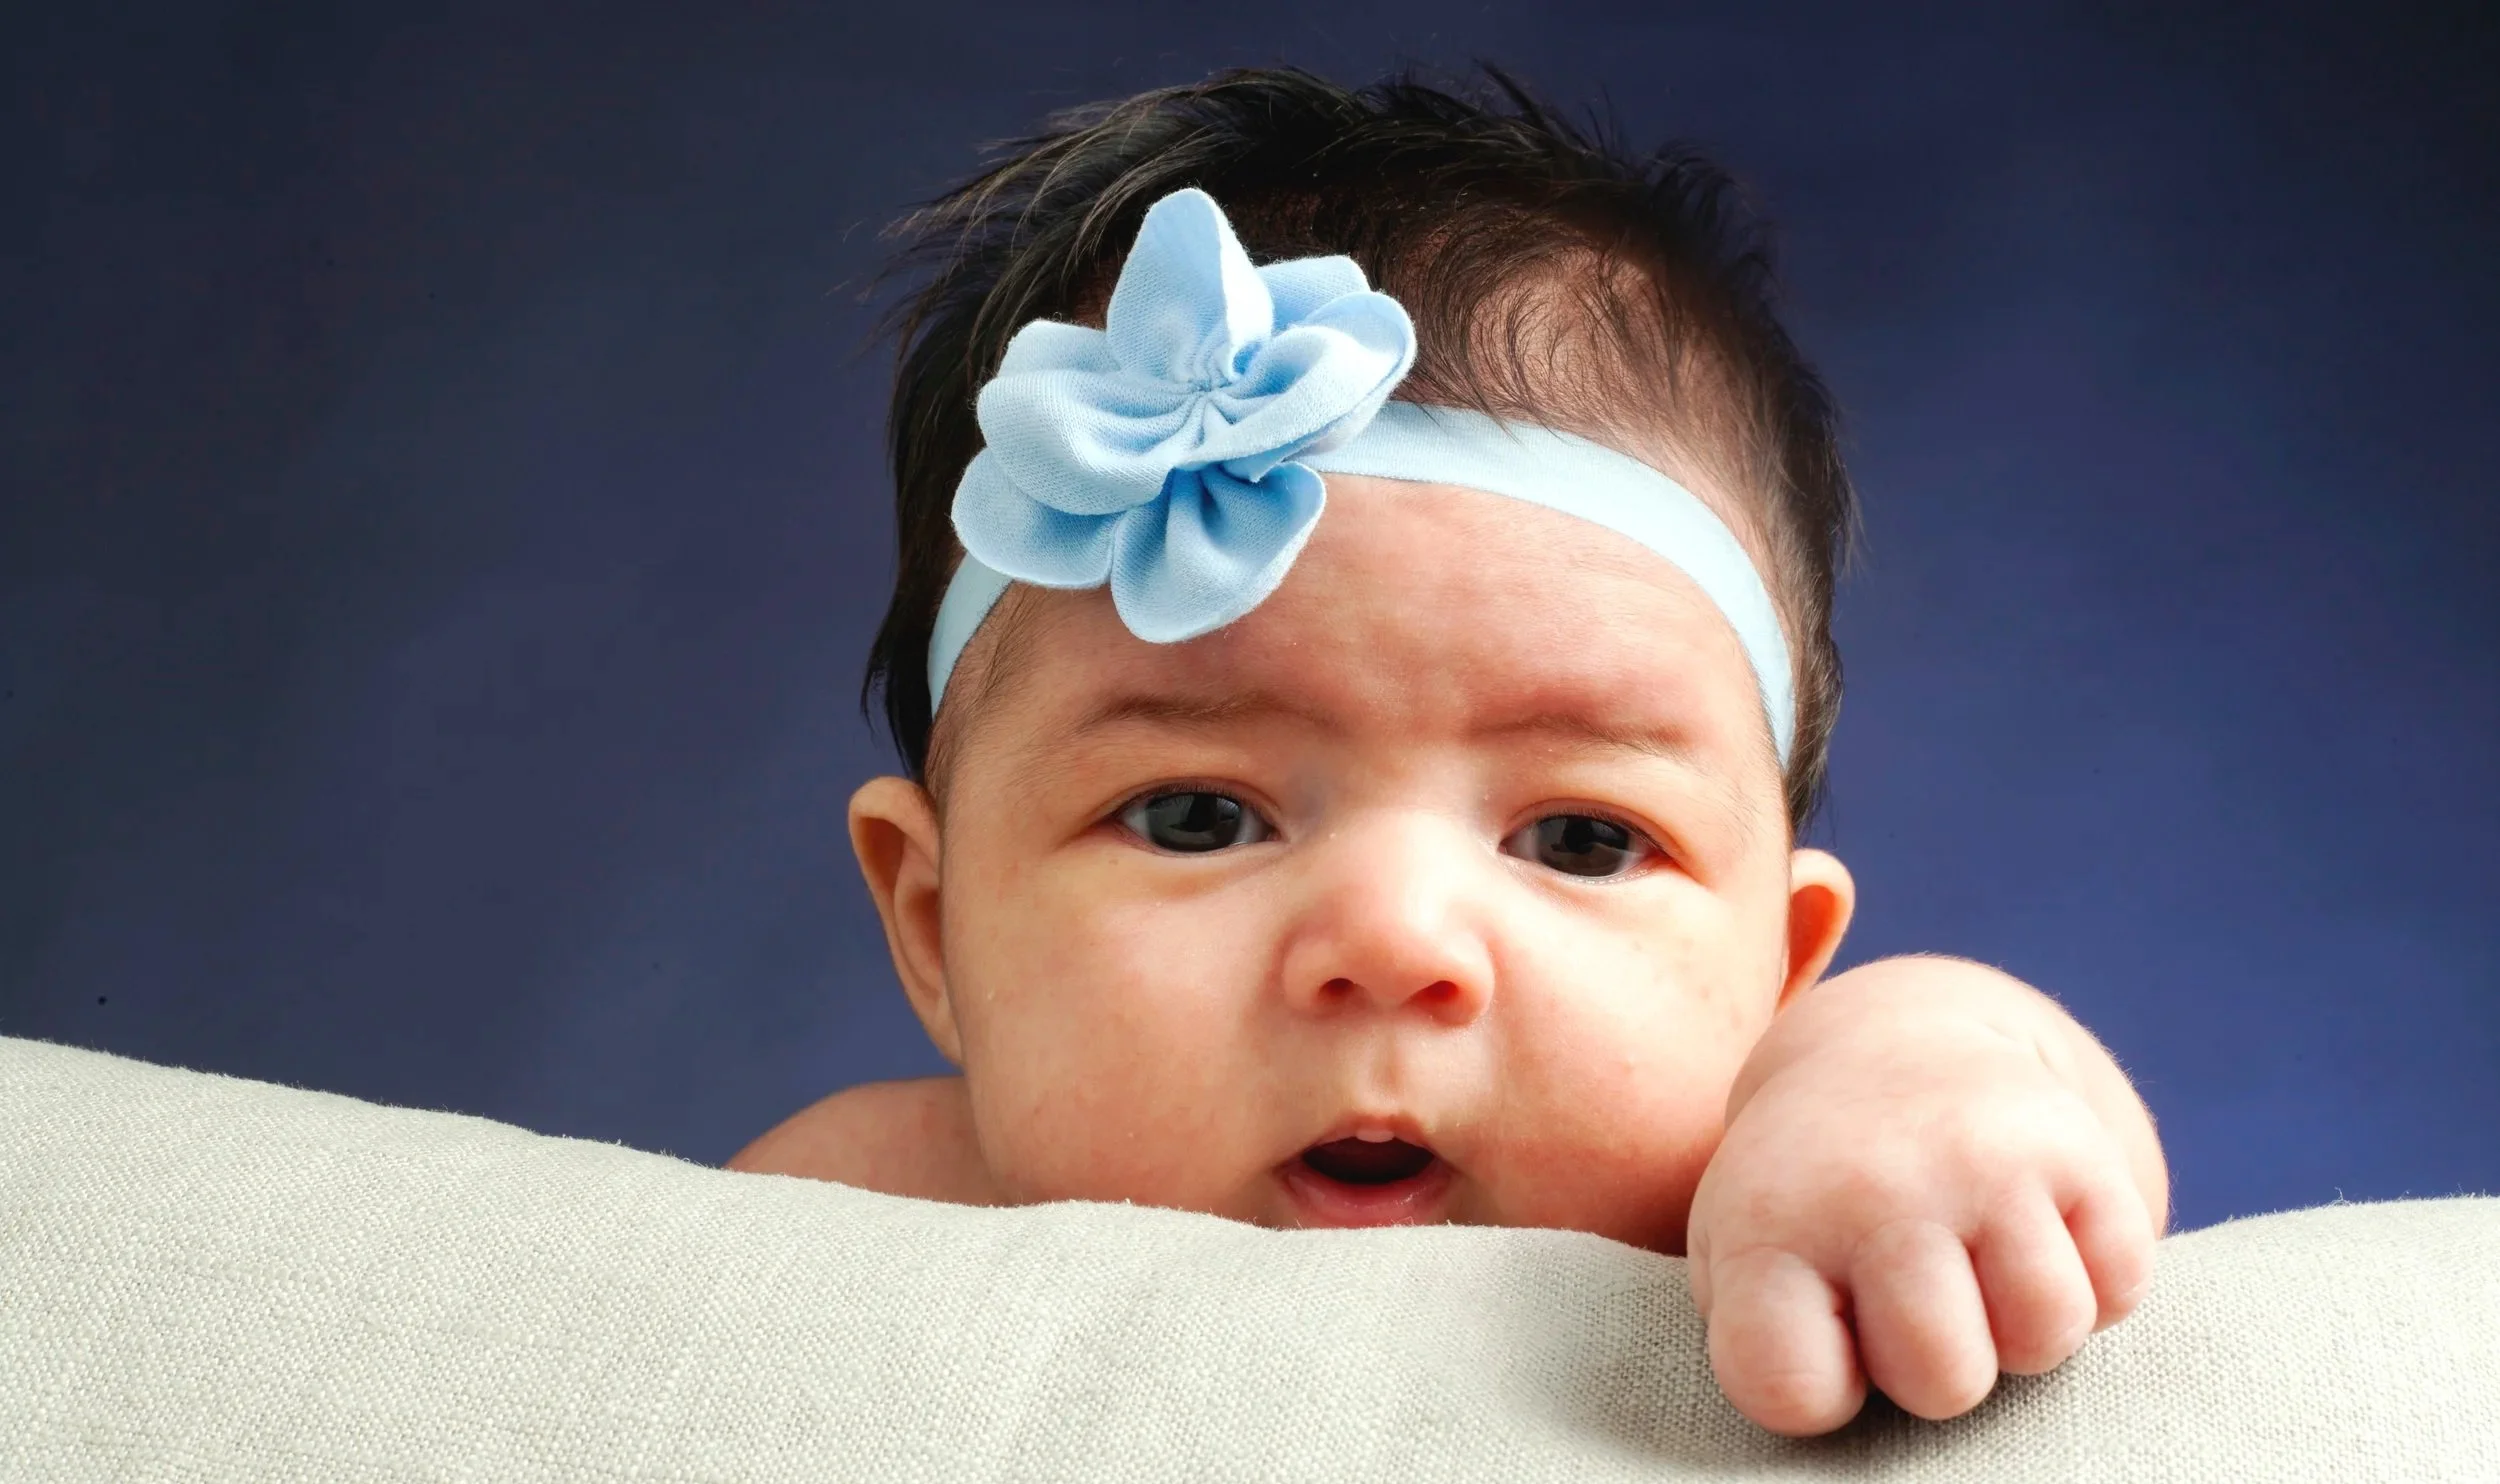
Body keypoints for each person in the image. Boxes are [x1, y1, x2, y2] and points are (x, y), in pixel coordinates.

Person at [729, 65, 2168, 1438]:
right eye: (1191, 816)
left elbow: (2008, 1108)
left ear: (1774, 974)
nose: (1395, 941)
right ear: (936, 926)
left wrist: (1913, 1076)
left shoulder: (1763, 1184)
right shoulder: (859, 1210)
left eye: (1584, 838)